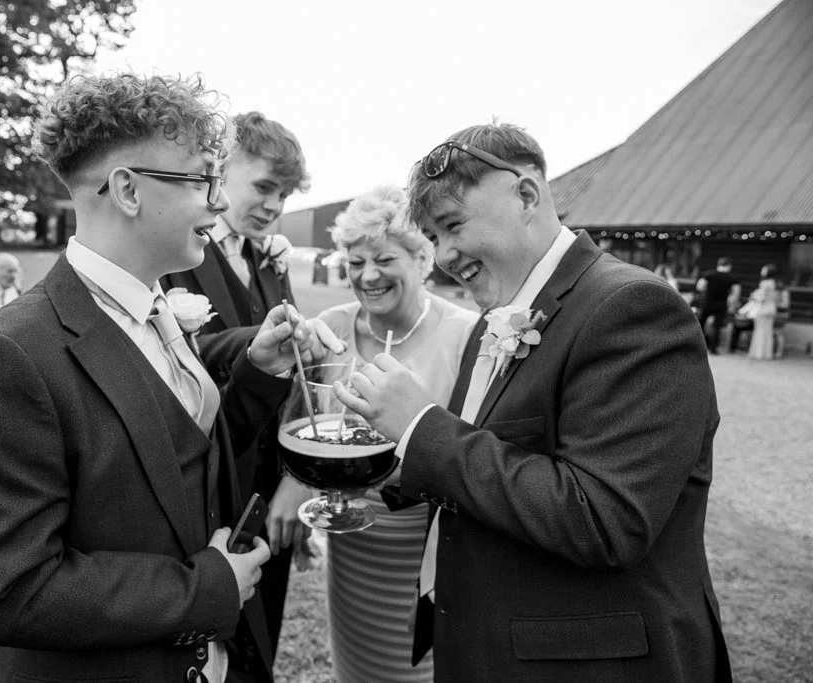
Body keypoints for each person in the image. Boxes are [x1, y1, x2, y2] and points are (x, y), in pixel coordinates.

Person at [0, 72, 340, 683]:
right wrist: (205, 587)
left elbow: (178, 457)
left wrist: (259, 376)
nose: (217, 202)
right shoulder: (7, 354)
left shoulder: (156, 310)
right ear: (128, 190)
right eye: (202, 180)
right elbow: (13, 591)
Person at [336, 123, 732, 681]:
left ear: (526, 195)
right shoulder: (493, 321)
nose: (445, 255)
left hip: (587, 661)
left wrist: (422, 427)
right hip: (489, 644)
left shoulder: (634, 307)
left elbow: (605, 519)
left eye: (452, 226)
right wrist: (376, 468)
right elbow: (488, 459)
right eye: (433, 237)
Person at [160, 110, 317, 661]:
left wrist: (297, 477)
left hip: (272, 481)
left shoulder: (269, 257)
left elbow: (290, 368)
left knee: (263, 633)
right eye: (265, 187)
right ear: (221, 170)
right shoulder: (172, 249)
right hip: (205, 482)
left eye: (286, 195)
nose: (275, 206)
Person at [315, 186, 479, 683]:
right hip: (349, 544)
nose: (368, 275)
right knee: (356, 666)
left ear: (422, 258)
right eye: (355, 260)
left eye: (384, 258)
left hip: (427, 548)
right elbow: (305, 423)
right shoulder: (329, 327)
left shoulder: (467, 335)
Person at [696, 257, 741, 354]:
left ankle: (698, 346)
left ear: (718, 264)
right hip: (721, 304)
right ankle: (713, 348)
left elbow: (699, 287)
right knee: (717, 326)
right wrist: (731, 304)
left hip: (707, 302)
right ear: (729, 266)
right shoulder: (732, 278)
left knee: (701, 324)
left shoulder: (708, 274)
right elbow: (736, 294)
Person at [747, 264, 781, 360]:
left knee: (760, 330)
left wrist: (753, 296)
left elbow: (762, 298)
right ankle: (767, 353)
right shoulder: (773, 283)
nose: (762, 271)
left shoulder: (765, 283)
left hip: (763, 308)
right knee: (767, 330)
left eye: (764, 270)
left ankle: (758, 353)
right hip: (771, 308)